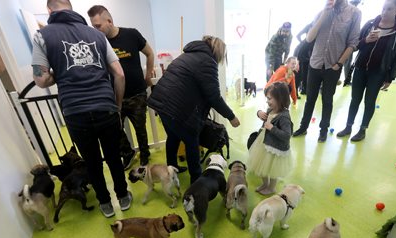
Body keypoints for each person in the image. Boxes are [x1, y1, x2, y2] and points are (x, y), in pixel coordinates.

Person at [32, 0, 132, 217]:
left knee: (92, 162)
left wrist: (61, 72)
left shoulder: (42, 35)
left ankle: (105, 204)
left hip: (75, 112)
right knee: (114, 156)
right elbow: (119, 74)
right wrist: (117, 105)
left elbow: (40, 81)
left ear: (50, 10)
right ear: (71, 8)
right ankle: (123, 197)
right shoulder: (97, 35)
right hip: (106, 108)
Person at [147, 36, 240, 184]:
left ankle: (172, 169)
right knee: (191, 142)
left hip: (161, 103)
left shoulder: (188, 55)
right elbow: (214, 97)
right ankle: (196, 180)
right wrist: (231, 117)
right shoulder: (208, 61)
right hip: (175, 107)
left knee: (173, 137)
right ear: (219, 52)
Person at [87, 5, 154, 167]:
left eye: (98, 26)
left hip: (137, 94)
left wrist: (148, 74)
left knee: (140, 129)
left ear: (109, 21)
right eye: (93, 26)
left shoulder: (131, 34)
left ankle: (145, 155)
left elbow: (150, 53)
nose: (95, 30)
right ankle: (128, 152)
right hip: (113, 97)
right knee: (114, 130)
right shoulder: (97, 42)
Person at [337, 0, 396, 142]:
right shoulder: (371, 23)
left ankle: (362, 129)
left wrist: (390, 77)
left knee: (369, 102)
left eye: (389, 9)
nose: (384, 12)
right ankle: (348, 127)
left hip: (378, 72)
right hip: (360, 68)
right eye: (383, 8)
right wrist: (366, 40)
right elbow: (355, 45)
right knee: (355, 100)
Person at [292, 0, 361, 143]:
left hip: (333, 66)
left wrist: (339, 63)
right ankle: (303, 127)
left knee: (327, 99)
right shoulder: (322, 12)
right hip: (315, 63)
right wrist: (324, 13)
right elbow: (309, 38)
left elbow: (353, 43)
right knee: (310, 98)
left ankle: (323, 130)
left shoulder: (354, 13)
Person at [248, 82, 293, 195]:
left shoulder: (284, 117)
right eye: (267, 98)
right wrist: (259, 113)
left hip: (274, 148)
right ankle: (264, 184)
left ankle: (271, 187)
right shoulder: (270, 110)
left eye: (269, 98)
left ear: (280, 99)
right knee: (261, 167)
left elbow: (287, 136)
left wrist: (272, 128)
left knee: (272, 170)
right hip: (264, 143)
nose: (267, 101)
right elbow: (263, 116)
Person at [343, 0, 363, 86]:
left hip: (349, 45)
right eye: (355, 3)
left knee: (347, 64)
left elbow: (355, 33)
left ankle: (347, 81)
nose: (356, 6)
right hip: (339, 43)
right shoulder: (344, 12)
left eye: (357, 4)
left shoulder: (357, 14)